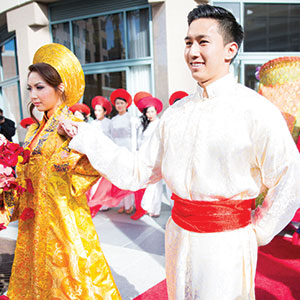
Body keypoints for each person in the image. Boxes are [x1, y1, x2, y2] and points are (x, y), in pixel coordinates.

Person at [62, 5, 300, 300]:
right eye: (188, 42)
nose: (192, 51)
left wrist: (257, 230)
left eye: (203, 41)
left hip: (226, 243)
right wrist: (86, 137)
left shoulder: (255, 110)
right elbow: (138, 171)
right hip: (177, 235)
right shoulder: (175, 114)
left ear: (230, 50)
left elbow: (290, 177)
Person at [1, 43, 121, 299]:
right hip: (33, 223)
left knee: (69, 286)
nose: (33, 95)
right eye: (30, 88)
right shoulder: (33, 131)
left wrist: (68, 157)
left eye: (40, 87)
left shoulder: (76, 128)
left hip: (63, 221)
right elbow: (24, 177)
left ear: (61, 88)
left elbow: (94, 167)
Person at [131, 96, 163, 220]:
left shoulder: (159, 124)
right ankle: (148, 207)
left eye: (152, 111)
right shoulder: (145, 124)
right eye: (147, 112)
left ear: (156, 111)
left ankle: (156, 209)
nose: (149, 114)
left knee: (156, 182)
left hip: (155, 156)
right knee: (148, 181)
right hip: (144, 156)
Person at [110, 88, 134, 214]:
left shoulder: (131, 118)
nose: (119, 105)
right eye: (117, 103)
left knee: (127, 177)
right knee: (119, 178)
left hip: (128, 149)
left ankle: (129, 204)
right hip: (117, 150)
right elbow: (111, 137)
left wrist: (134, 152)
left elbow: (135, 136)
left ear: (126, 104)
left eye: (121, 103)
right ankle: (121, 203)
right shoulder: (113, 120)